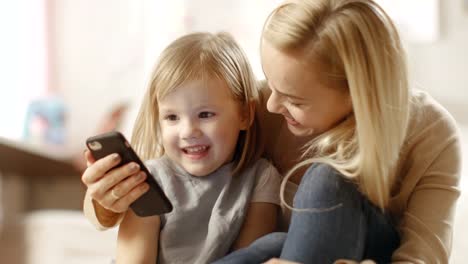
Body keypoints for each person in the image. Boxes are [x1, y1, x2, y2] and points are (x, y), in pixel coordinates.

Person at [82, 0, 462, 263]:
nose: (270, 105)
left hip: (360, 252)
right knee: (278, 241)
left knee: (327, 178)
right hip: (273, 254)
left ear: (356, 96)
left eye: (294, 99)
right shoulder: (244, 110)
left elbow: (422, 257)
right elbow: (156, 172)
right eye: (271, 84)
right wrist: (103, 199)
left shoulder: (430, 134)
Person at [81, 32, 282, 264]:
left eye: (205, 114)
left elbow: (249, 257)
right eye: (172, 117)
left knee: (275, 242)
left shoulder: (260, 177)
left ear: (245, 114)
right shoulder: (148, 180)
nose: (188, 131)